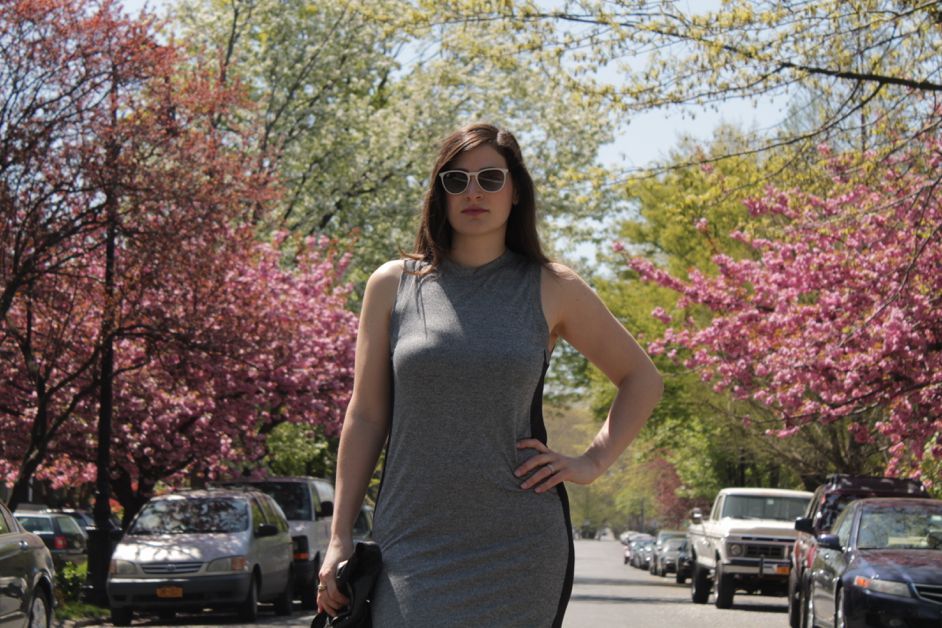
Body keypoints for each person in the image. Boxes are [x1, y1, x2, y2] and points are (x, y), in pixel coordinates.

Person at [317, 123, 663, 627]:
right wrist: (339, 536)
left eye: (490, 178)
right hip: (411, 542)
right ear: (440, 194)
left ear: (515, 190)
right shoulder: (392, 284)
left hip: (520, 547)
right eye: (456, 180)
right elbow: (367, 416)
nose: (473, 192)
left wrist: (591, 462)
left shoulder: (553, 287)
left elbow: (642, 379)